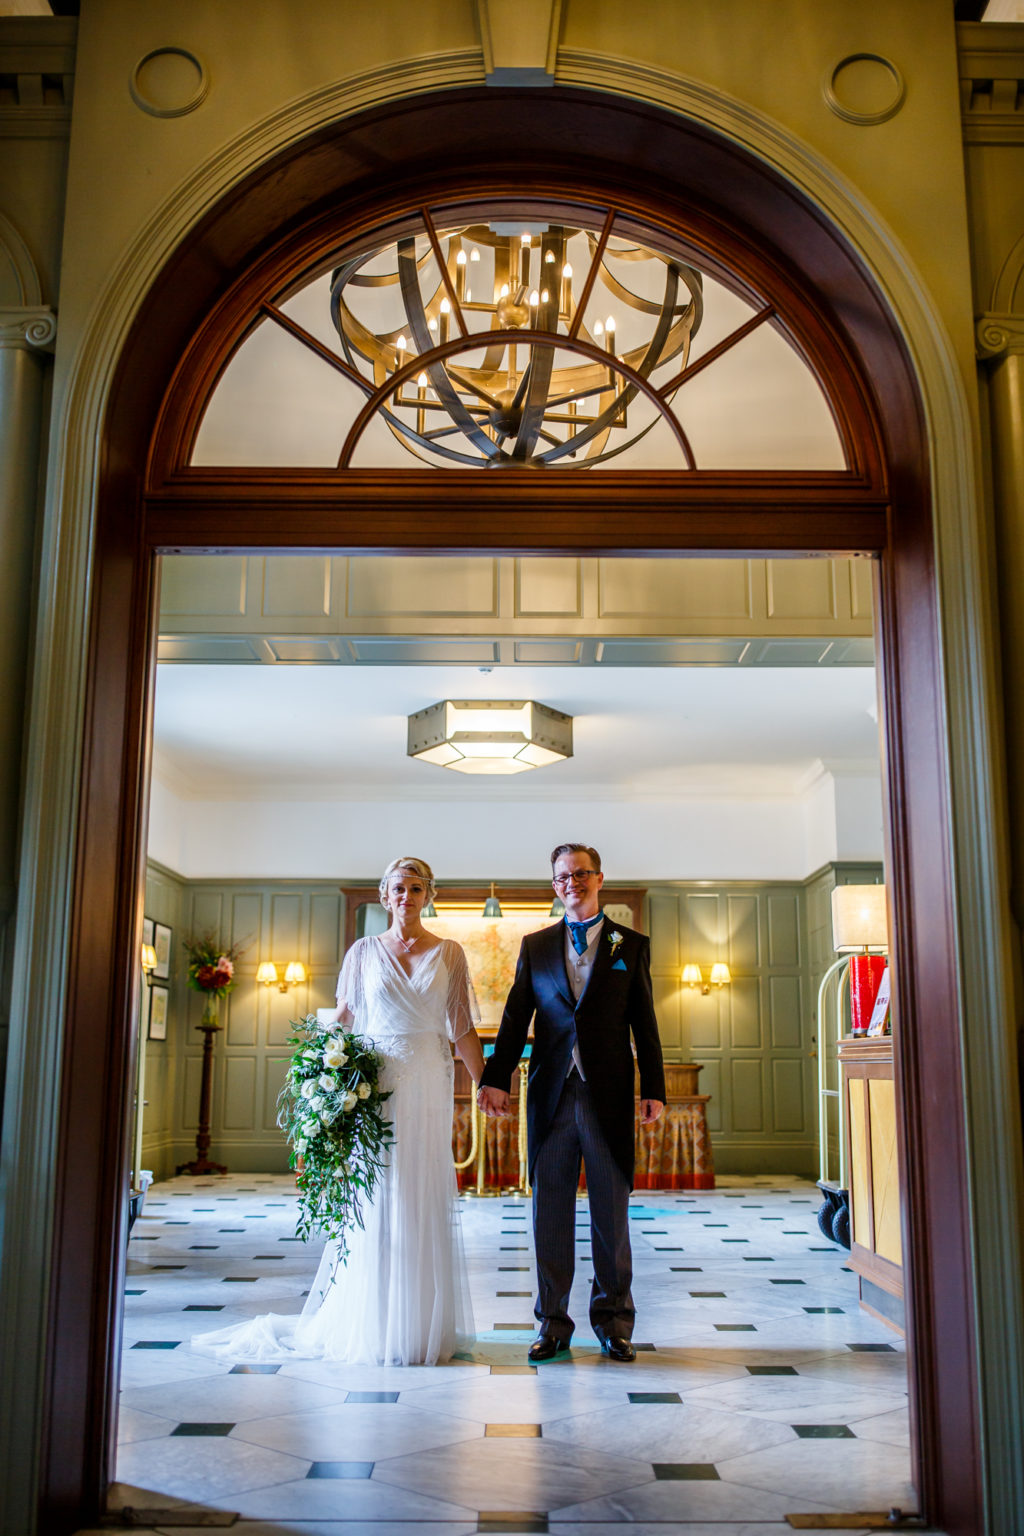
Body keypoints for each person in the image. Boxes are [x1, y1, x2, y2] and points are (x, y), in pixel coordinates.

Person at [192, 856, 485, 1367]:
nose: (406, 897)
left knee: (419, 1189)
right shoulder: (363, 952)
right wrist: (323, 1088)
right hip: (373, 1088)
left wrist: (485, 1083)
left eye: (416, 888)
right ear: (383, 894)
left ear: (428, 895)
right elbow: (345, 1022)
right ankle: (371, 1324)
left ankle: (419, 1327)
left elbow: (460, 1027)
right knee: (376, 1196)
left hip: (426, 1089)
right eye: (398, 888)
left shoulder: (451, 954)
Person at [477, 843, 665, 1363]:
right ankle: (553, 1324)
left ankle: (613, 1323)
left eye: (581, 874)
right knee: (549, 1215)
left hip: (606, 1095)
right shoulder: (535, 946)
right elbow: (516, 1019)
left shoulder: (630, 944)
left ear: (599, 878)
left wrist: (653, 1086)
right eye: (562, 877)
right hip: (552, 1095)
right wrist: (496, 1079)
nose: (572, 883)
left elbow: (644, 1023)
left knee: (612, 1215)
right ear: (554, 884)